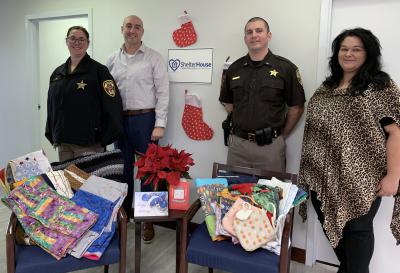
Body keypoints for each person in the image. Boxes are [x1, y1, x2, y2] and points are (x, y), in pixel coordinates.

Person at [298, 28, 400, 273]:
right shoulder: (327, 87)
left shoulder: (380, 87)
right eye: (344, 49)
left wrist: (393, 176)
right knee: (335, 231)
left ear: (368, 53)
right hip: (323, 179)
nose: (349, 54)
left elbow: (396, 131)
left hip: (362, 181)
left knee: (357, 231)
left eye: (356, 49)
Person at [107, 15, 169, 243]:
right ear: (122, 29)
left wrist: (160, 124)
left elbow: (163, 92)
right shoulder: (112, 59)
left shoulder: (154, 58)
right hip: (120, 122)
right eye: (128, 26)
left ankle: (148, 221)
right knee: (121, 172)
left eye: (137, 27)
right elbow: (107, 94)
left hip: (146, 120)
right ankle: (124, 217)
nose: (132, 30)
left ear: (142, 31)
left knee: (149, 173)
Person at [219, 17, 305, 172]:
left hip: (270, 146)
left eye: (259, 30)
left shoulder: (286, 68)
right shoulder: (234, 69)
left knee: (271, 194)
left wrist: (280, 135)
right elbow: (228, 103)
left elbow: (296, 107)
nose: (254, 35)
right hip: (238, 146)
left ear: (269, 35)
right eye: (249, 32)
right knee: (234, 194)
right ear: (245, 38)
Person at [46, 26, 123, 162]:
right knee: (69, 183)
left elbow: (113, 104)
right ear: (67, 41)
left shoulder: (99, 71)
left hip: (89, 144)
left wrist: (104, 138)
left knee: (87, 183)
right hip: (64, 143)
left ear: (88, 43)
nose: (77, 42)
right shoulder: (57, 74)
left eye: (82, 39)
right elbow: (51, 107)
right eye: (73, 38)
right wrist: (53, 134)